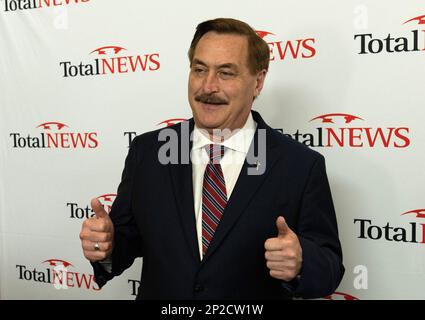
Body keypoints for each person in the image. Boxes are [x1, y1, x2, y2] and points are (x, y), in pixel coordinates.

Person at [79, 17, 344, 300]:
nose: (207, 86)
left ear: (258, 81)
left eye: (226, 73)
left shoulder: (300, 166)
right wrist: (105, 247)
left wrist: (302, 264)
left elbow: (329, 268)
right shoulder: (147, 152)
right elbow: (122, 245)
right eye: (199, 69)